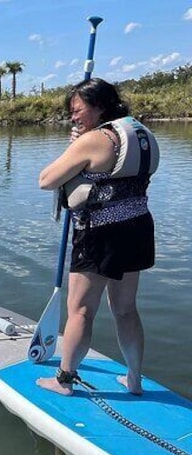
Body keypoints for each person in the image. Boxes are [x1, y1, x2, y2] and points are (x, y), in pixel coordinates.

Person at [36, 78, 159, 396]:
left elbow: (47, 180)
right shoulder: (137, 132)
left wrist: (75, 144)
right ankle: (134, 380)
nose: (73, 117)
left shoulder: (96, 140)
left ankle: (64, 380)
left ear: (100, 106)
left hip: (100, 235)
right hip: (138, 229)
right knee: (126, 309)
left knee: (80, 310)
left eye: (78, 110)